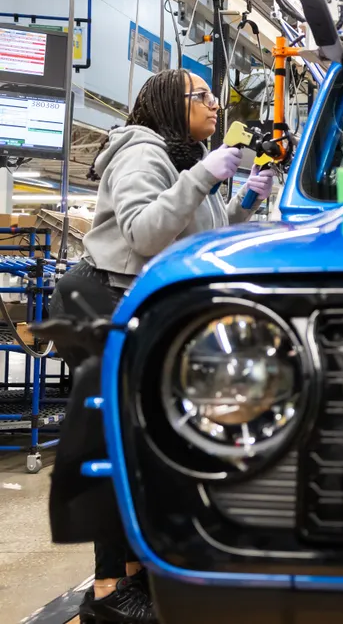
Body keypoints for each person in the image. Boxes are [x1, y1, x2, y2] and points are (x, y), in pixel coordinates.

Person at [46, 69, 274, 624]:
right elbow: (145, 234)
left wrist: (242, 200)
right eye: (203, 97)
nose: (214, 106)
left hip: (139, 305)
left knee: (147, 442)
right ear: (174, 103)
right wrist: (200, 176)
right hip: (101, 300)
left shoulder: (179, 153)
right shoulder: (142, 154)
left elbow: (198, 238)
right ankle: (107, 592)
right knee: (116, 447)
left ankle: (134, 572)